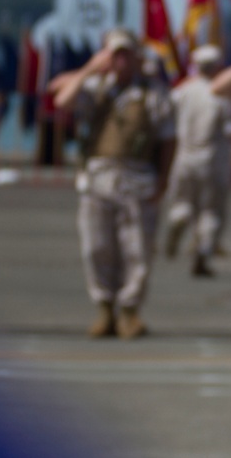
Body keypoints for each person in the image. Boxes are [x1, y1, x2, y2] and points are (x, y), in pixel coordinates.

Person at [54, 28, 176, 339]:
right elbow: (62, 100)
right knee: (97, 247)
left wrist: (163, 180)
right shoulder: (96, 88)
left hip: (136, 177)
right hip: (98, 177)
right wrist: (90, 69)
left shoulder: (153, 92)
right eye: (115, 54)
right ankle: (105, 309)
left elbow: (167, 140)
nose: (121, 61)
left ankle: (130, 311)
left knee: (137, 249)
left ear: (136, 57)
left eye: (126, 54)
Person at [163, 44, 231, 277]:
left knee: (183, 201)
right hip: (212, 158)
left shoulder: (182, 92)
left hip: (184, 156)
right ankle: (203, 253)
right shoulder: (221, 96)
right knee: (211, 211)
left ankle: (179, 218)